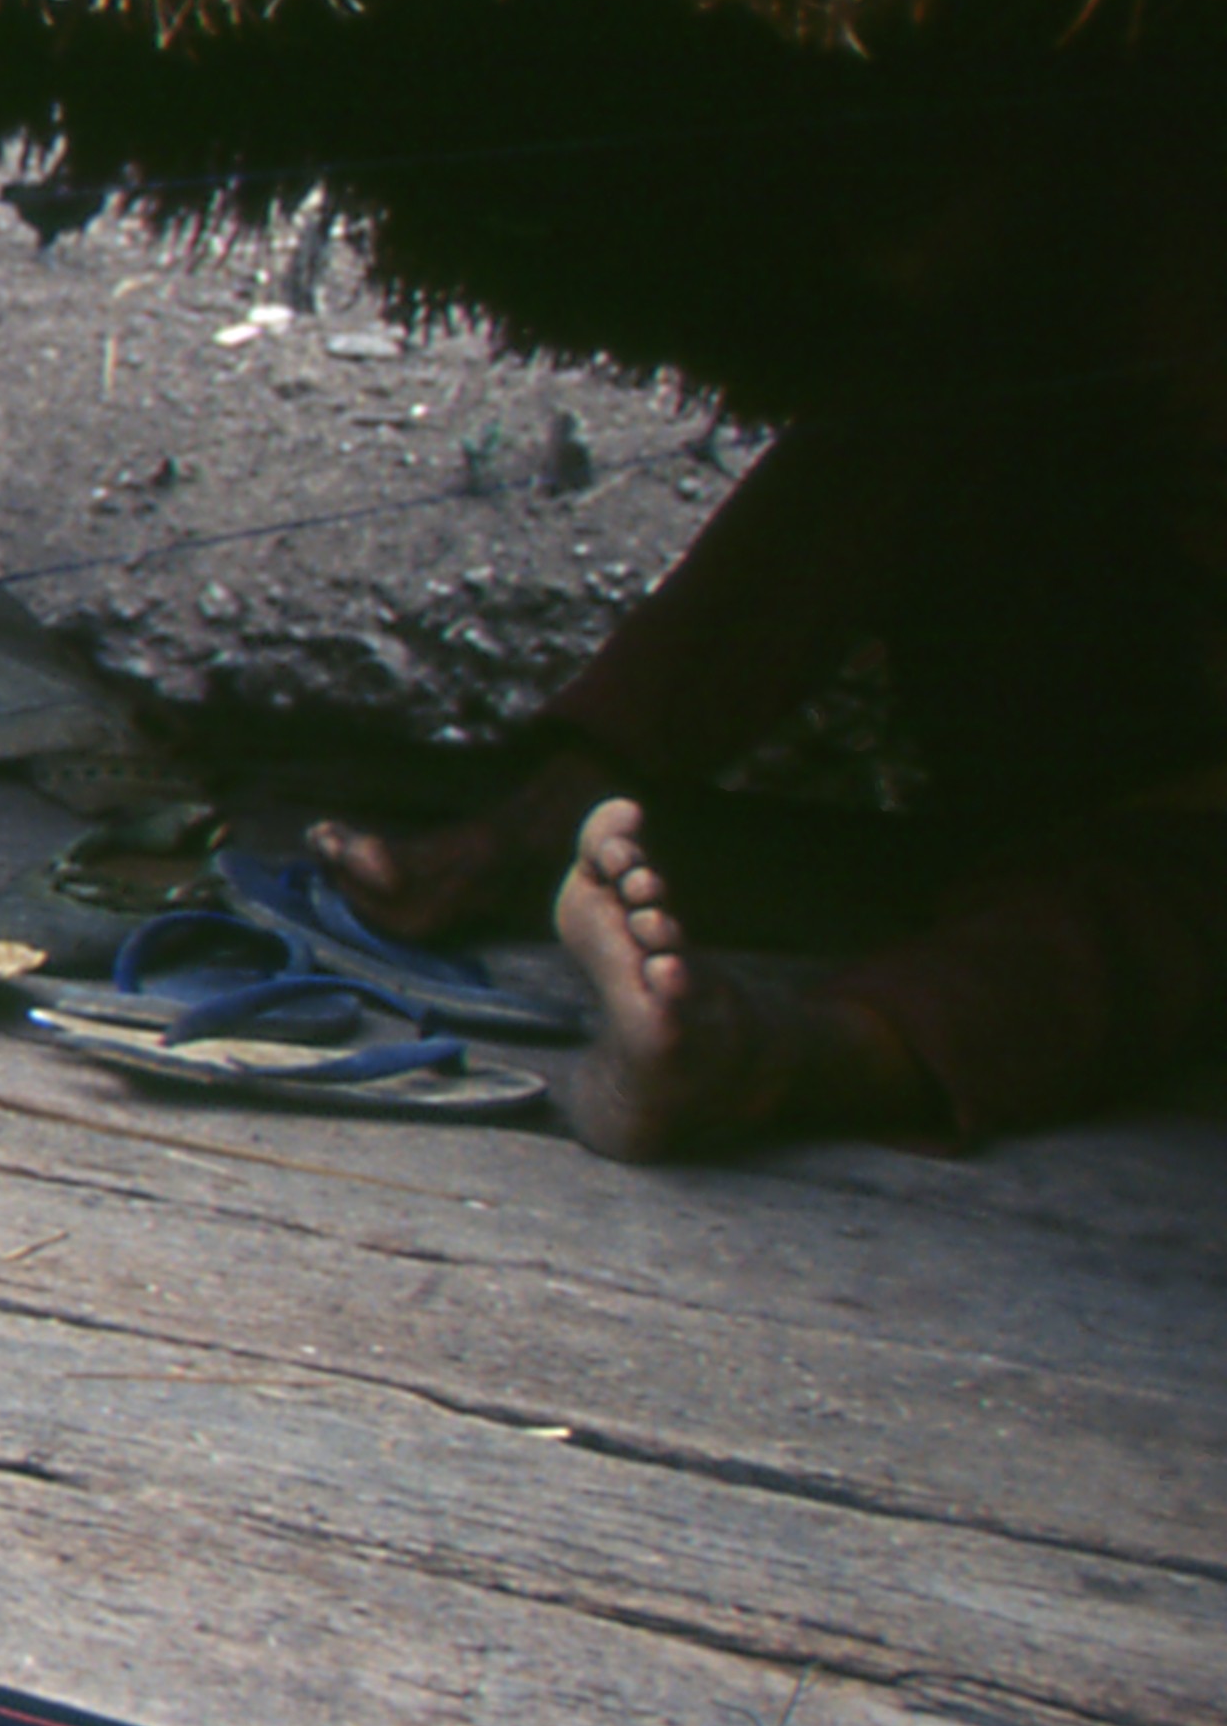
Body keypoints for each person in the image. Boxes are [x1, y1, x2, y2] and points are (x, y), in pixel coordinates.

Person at [304, 153, 1227, 1162]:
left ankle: (761, 1058)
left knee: (1119, 929)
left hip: (1182, 851)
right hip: (1096, 725)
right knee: (947, 395)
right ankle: (535, 828)